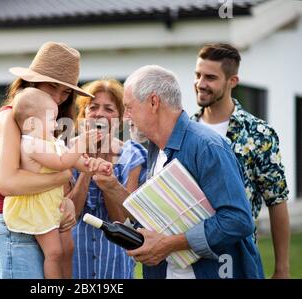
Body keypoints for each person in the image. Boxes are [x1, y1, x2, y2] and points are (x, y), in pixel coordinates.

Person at [92, 65, 264, 278]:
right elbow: (161, 215)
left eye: (129, 107)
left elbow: (238, 219)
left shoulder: (207, 147)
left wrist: (168, 244)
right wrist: (112, 187)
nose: (126, 117)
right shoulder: (155, 148)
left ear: (154, 102)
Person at [0, 41, 93, 279]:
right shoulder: (10, 118)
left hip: (42, 227)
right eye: (53, 87)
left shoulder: (45, 130)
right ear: (30, 82)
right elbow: (8, 183)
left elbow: (54, 186)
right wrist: (61, 175)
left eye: (66, 92)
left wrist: (68, 203)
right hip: (14, 231)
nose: (59, 98)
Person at [191, 43, 290, 278]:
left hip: (238, 259)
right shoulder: (187, 131)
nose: (200, 83)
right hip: (189, 258)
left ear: (232, 81)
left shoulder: (259, 134)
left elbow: (277, 201)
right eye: (197, 75)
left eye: (211, 77)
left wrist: (282, 269)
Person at [3, 88, 111, 278]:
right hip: (37, 208)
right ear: (31, 123)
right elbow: (62, 163)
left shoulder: (52, 141)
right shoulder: (30, 144)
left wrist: (94, 165)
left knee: (67, 248)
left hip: (52, 204)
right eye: (51, 119)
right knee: (54, 252)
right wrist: (82, 142)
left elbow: (77, 161)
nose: (56, 123)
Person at [68, 79, 148, 279]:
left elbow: (121, 219)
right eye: (93, 107)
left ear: (120, 118)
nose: (100, 114)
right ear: (83, 116)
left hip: (115, 260)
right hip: (75, 257)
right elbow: (71, 214)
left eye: (109, 109)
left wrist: (107, 179)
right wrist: (87, 170)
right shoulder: (66, 152)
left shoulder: (133, 155)